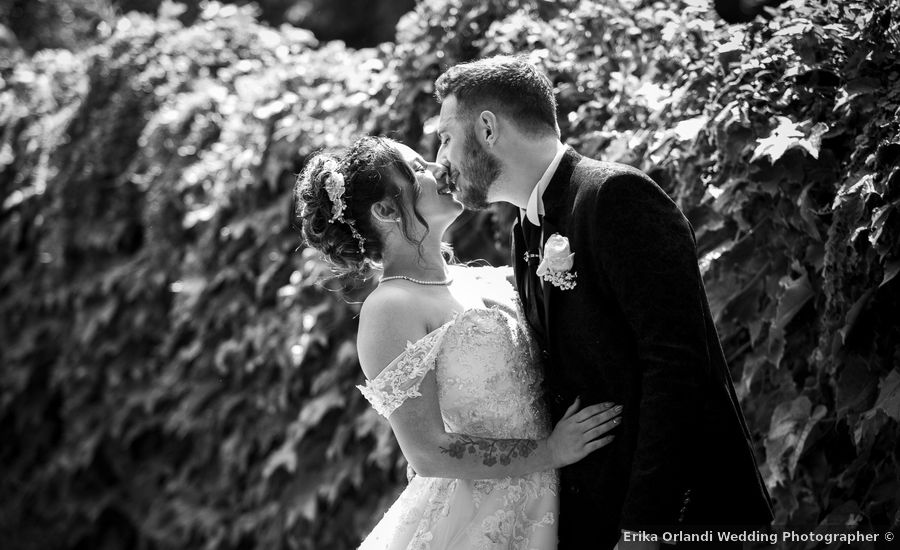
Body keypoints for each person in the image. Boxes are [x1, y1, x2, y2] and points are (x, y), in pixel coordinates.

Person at [432, 56, 774, 550]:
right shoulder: (526, 227)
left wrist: (644, 526)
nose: (441, 157)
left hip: (683, 516)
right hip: (595, 515)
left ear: (487, 128)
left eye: (446, 136)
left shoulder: (616, 196)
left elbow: (677, 366)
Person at [294, 136, 623, 549]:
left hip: (560, 498)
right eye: (417, 169)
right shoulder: (390, 307)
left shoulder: (484, 278)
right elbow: (427, 452)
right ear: (385, 210)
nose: (439, 168)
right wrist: (551, 452)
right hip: (478, 519)